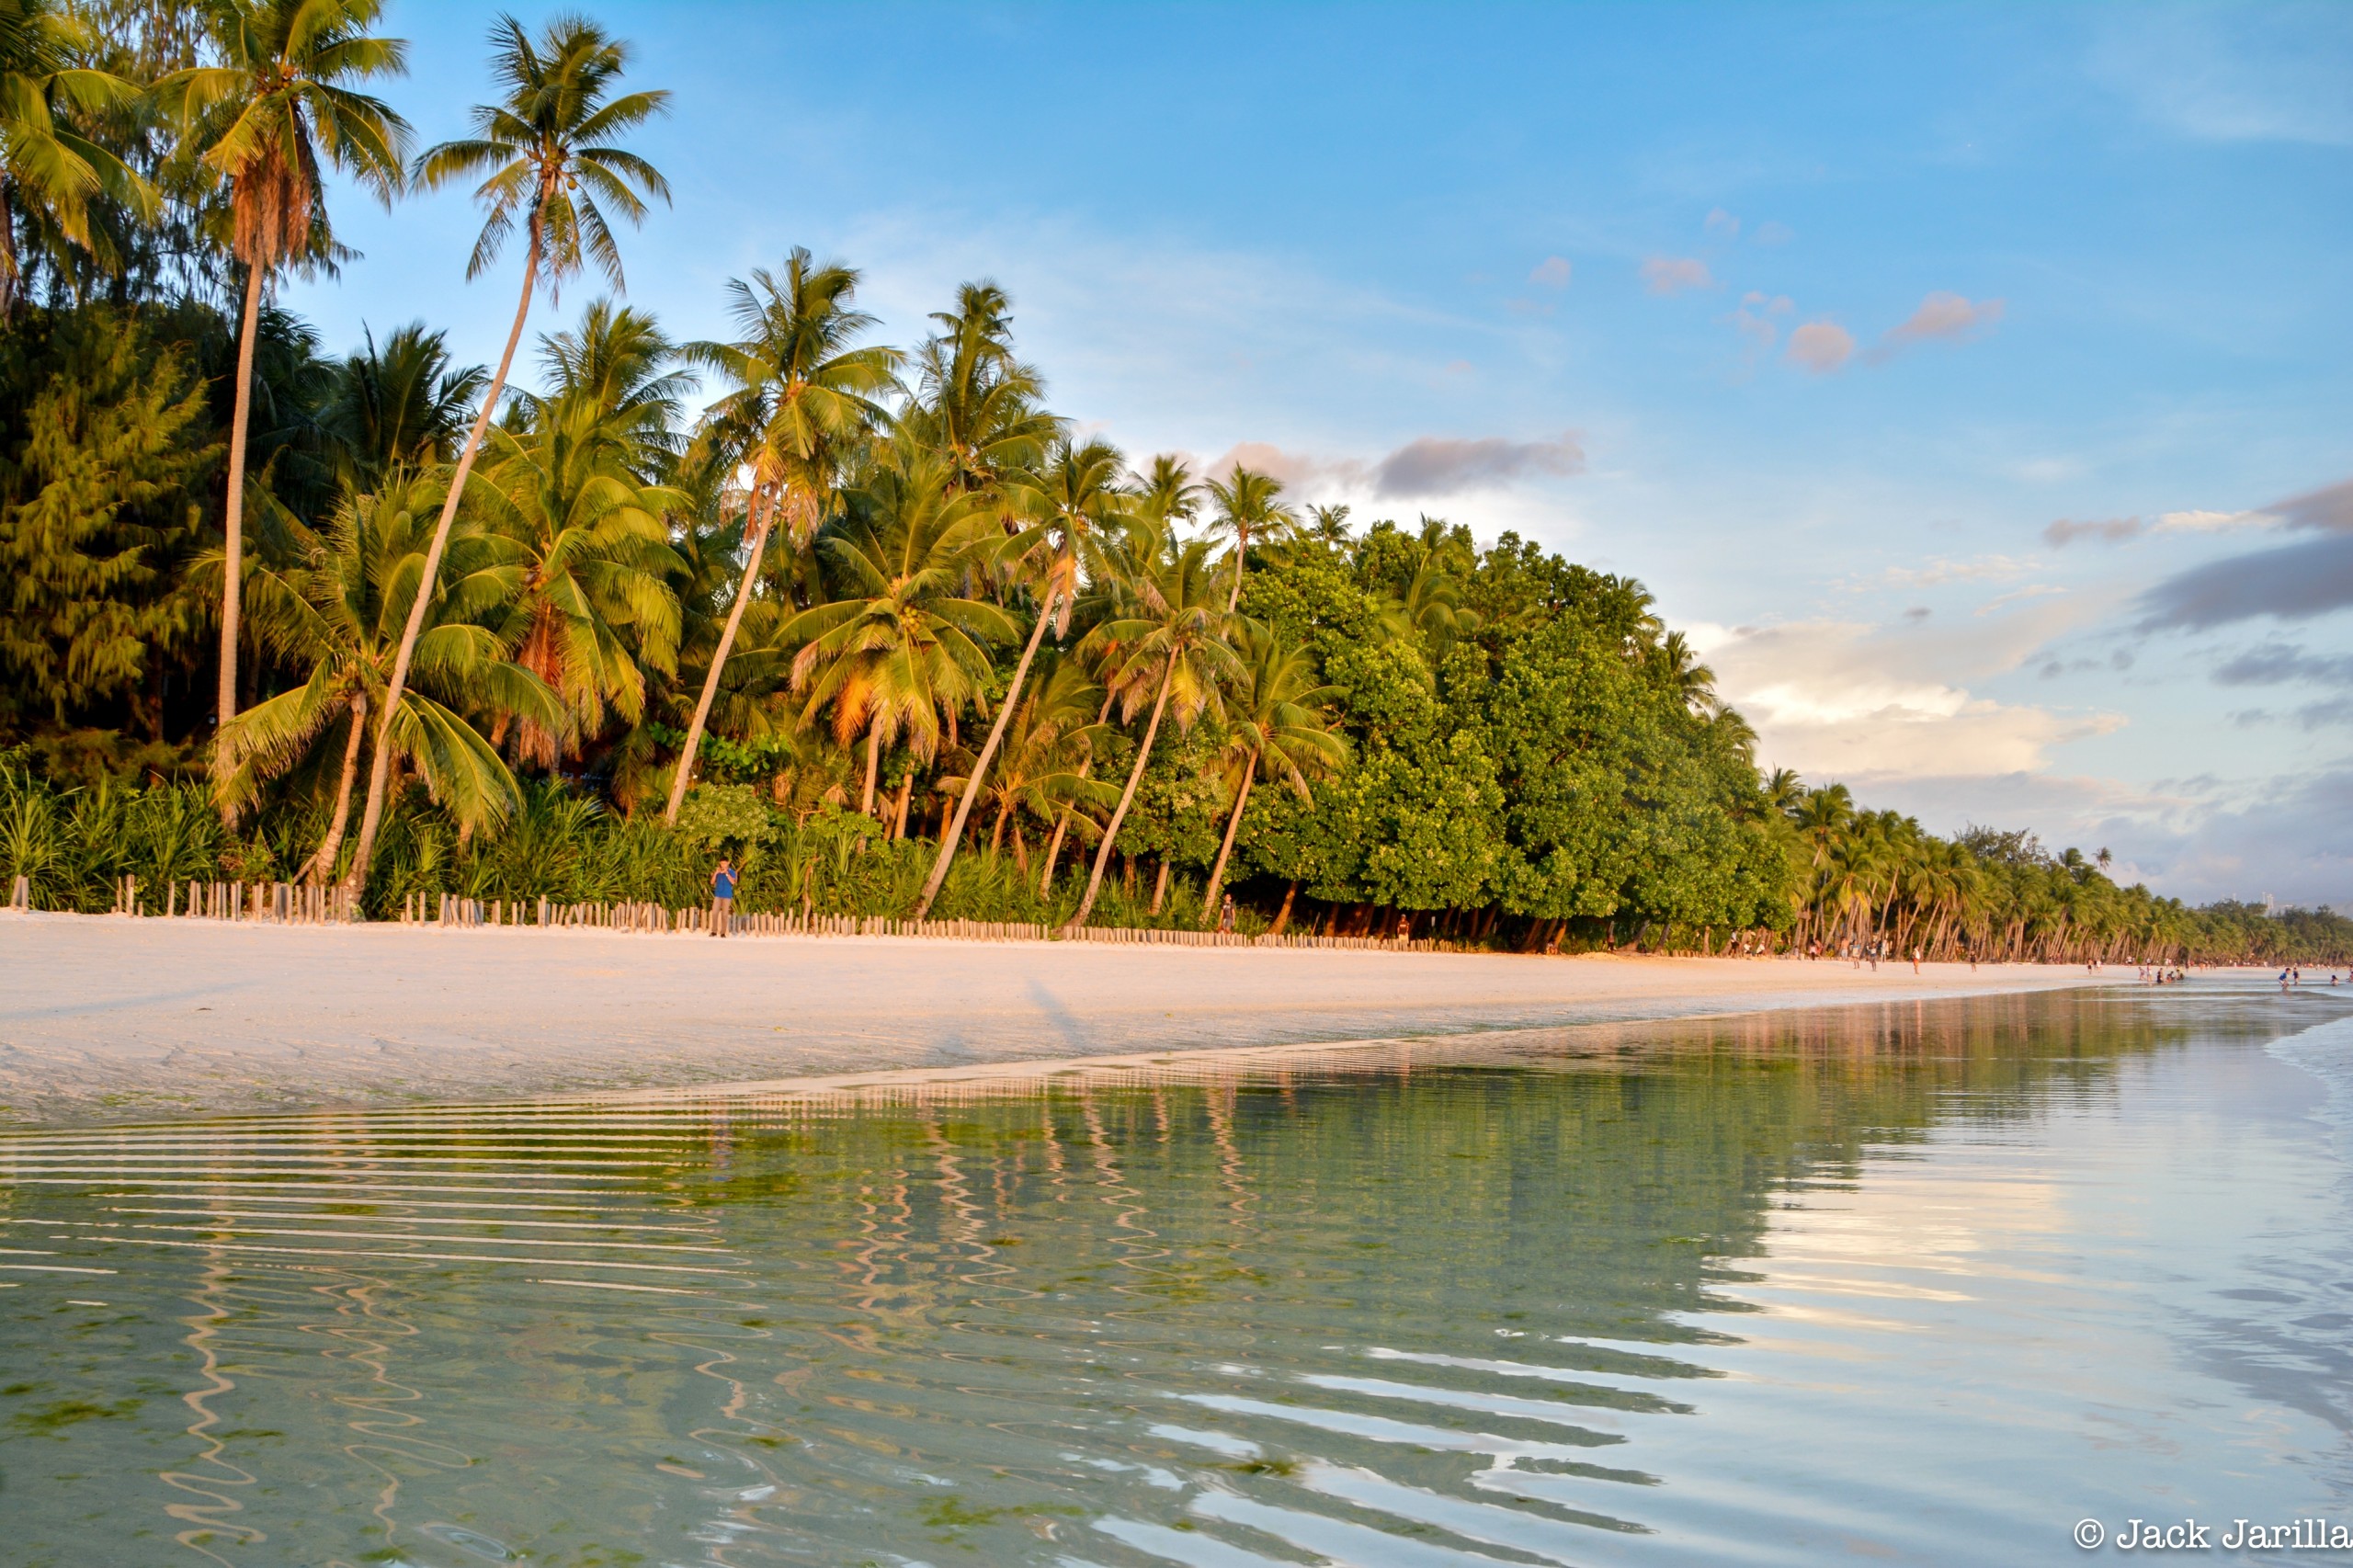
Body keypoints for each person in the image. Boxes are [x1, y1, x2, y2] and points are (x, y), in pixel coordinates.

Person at [710, 858, 737, 938]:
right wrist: (716, 873)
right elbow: (712, 882)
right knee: (714, 913)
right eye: (722, 863)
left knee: (724, 915)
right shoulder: (718, 872)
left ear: (728, 863)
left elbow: (733, 882)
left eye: (725, 863)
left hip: (727, 896)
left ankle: (723, 932)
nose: (723, 865)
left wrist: (726, 873)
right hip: (718, 895)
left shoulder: (732, 872)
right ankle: (714, 931)